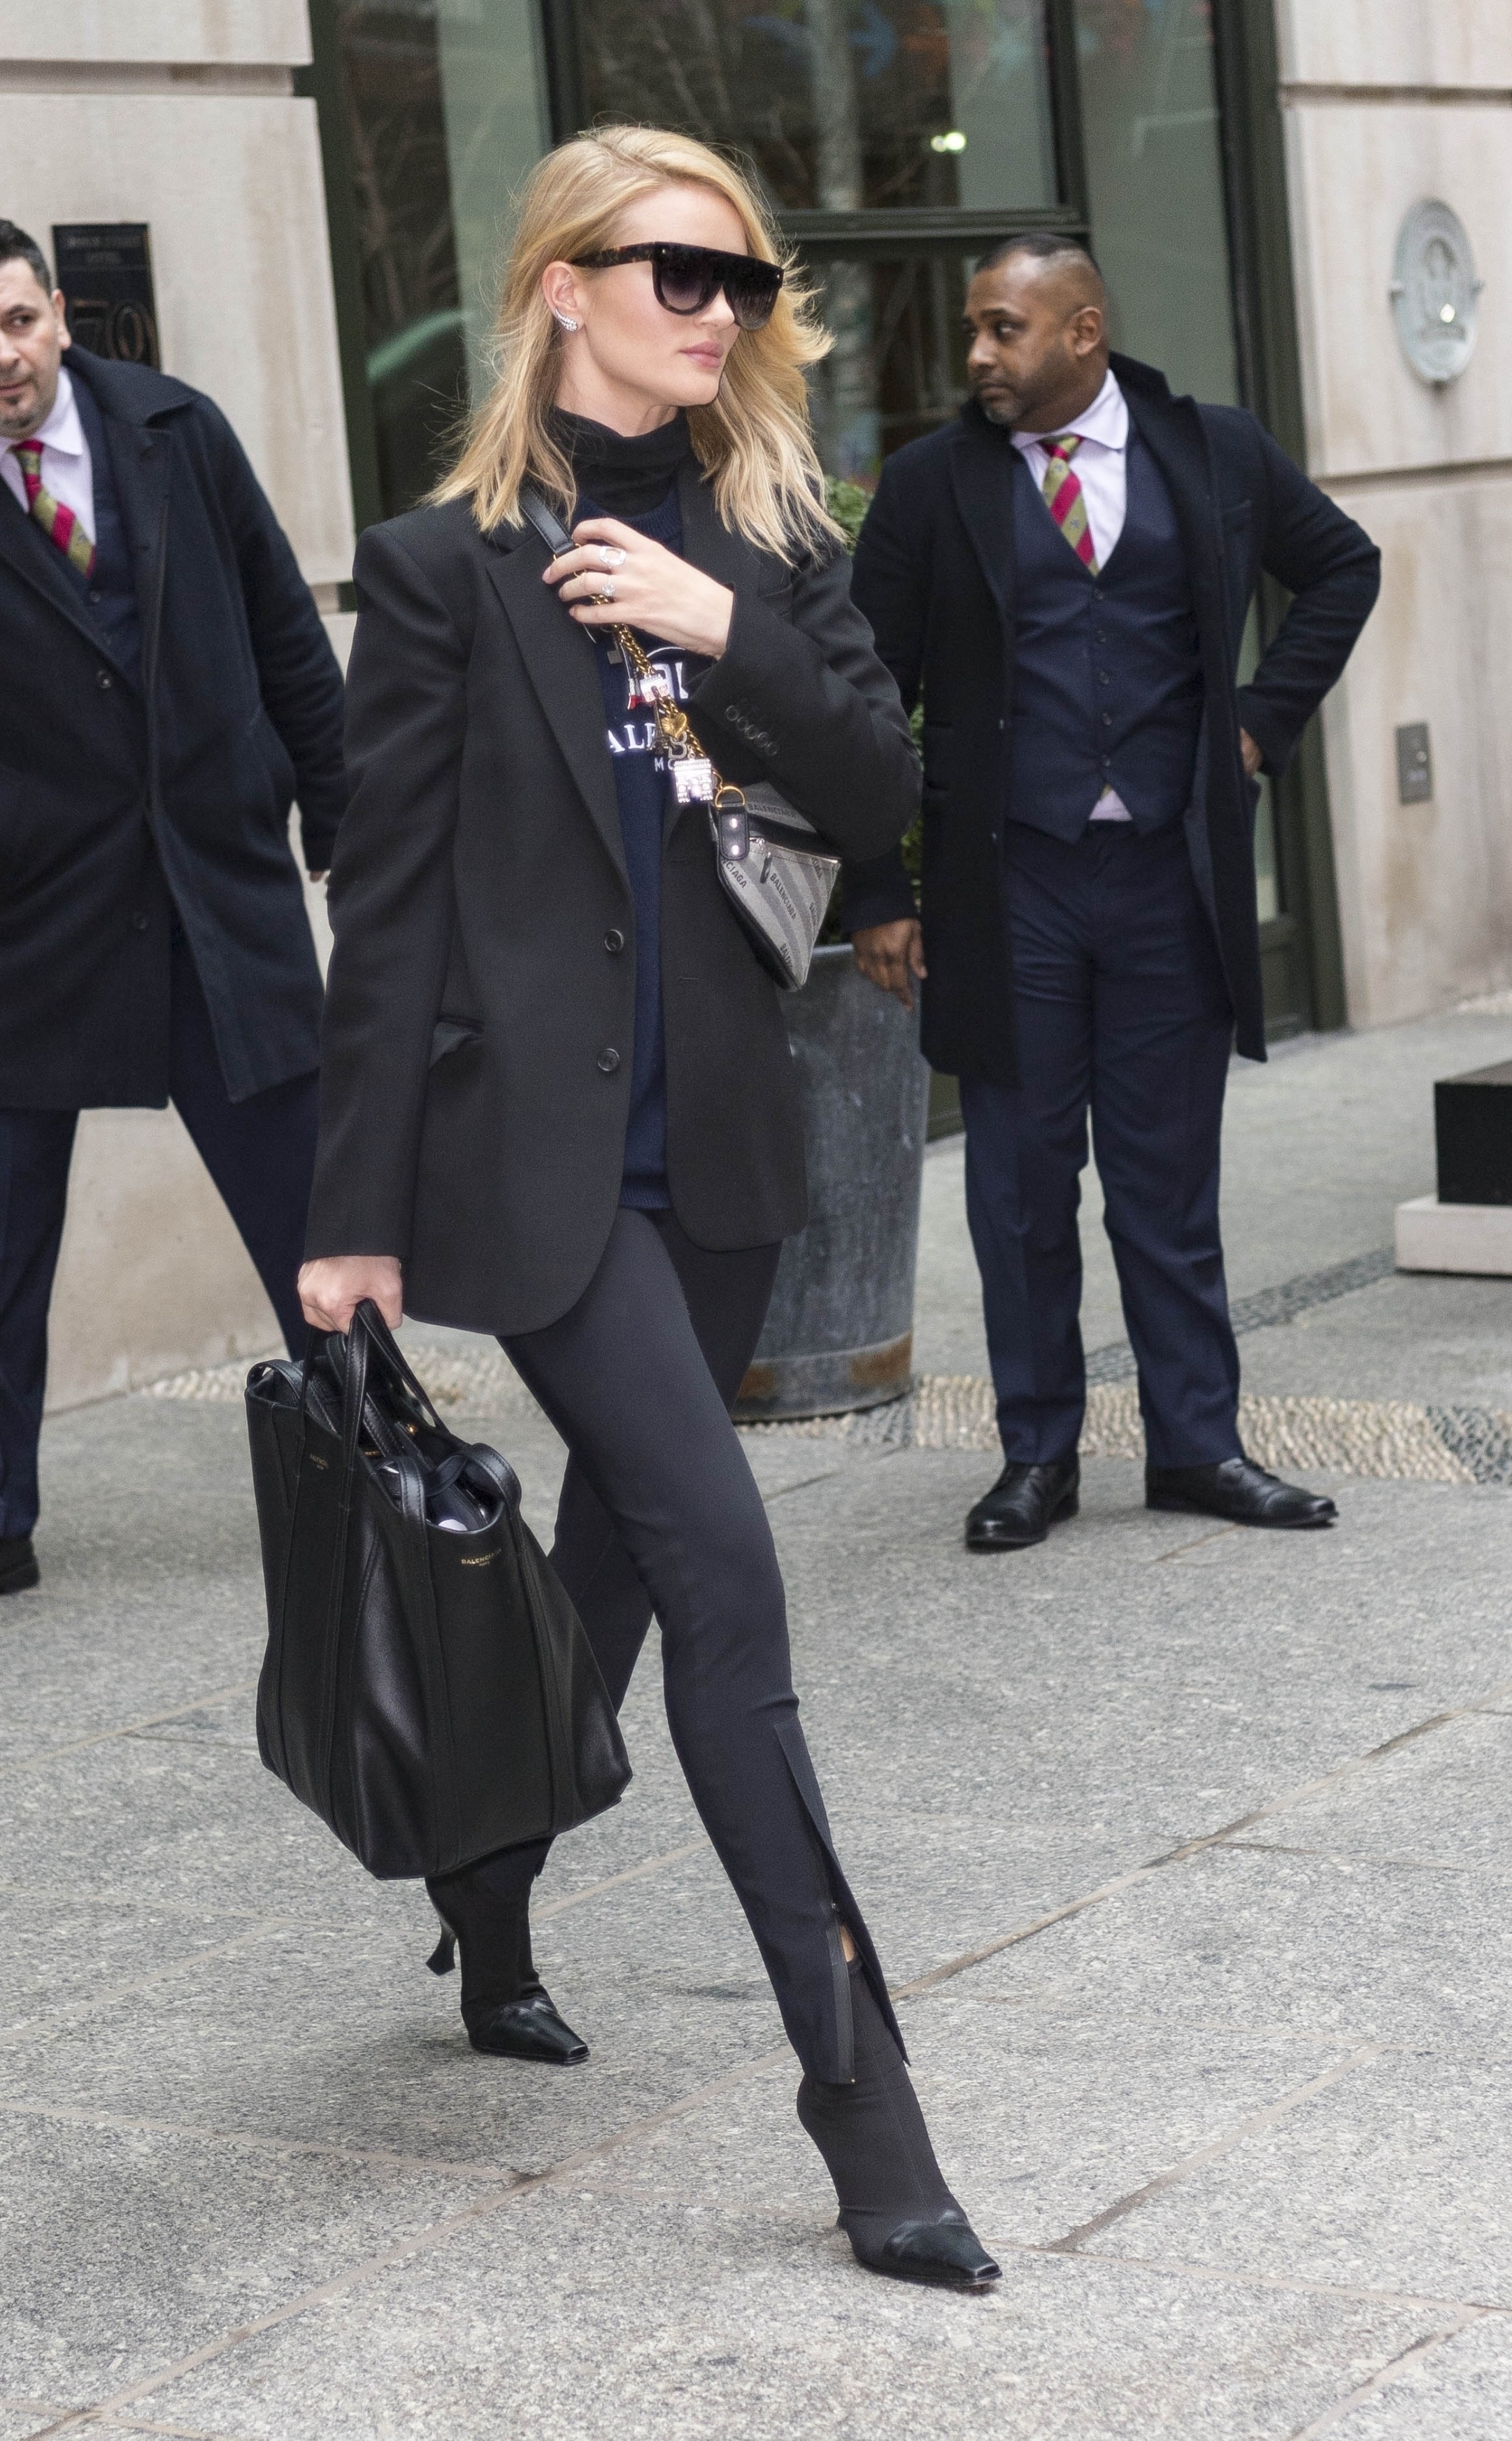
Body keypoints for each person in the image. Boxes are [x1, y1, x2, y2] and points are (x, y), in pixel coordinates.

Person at [298, 125, 1000, 2293]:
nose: (715, 311)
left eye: (740, 280)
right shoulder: (440, 570)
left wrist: (723, 629)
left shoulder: (770, 535)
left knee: (611, 1547)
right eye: (672, 271)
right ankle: (865, 2112)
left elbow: (881, 797)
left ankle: (486, 1892)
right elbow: (384, 905)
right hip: (533, 1170)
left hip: (718, 1157)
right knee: (720, 1573)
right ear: (560, 288)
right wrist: (345, 1210)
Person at [844, 234, 1380, 1553]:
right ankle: (1036, 1459)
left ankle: (1198, 1447)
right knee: (1021, 1189)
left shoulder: (1213, 450)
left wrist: (1256, 721)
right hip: (1006, 886)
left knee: (1165, 1184)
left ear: (1081, 331)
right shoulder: (929, 485)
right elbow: (863, 696)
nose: (977, 354)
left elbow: (1343, 567)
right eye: (972, 330)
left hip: (1164, 881)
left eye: (1003, 328)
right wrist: (875, 888)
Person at [0, 216, 344, 1625]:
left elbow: (286, 632)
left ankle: (375, 1455)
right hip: (23, 910)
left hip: (213, 889)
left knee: (312, 1212)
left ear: (60, 314)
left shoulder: (175, 430)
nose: (1, 356)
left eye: (18, 320)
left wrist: (342, 827)